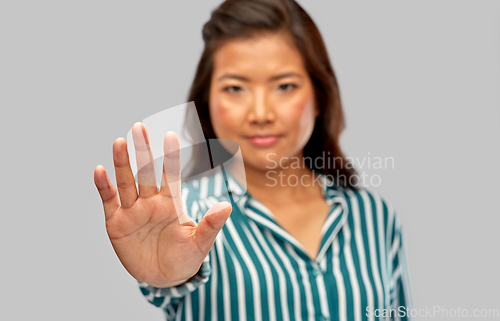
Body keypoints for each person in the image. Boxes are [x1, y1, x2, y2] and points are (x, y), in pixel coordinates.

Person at [94, 0, 414, 320]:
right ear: (207, 102)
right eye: (235, 88)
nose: (260, 114)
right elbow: (172, 273)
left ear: (319, 97)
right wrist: (167, 276)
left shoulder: (374, 217)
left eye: (284, 86)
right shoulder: (181, 216)